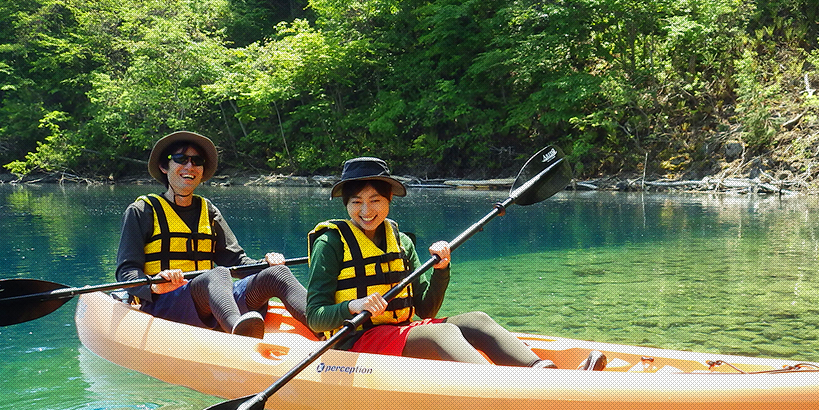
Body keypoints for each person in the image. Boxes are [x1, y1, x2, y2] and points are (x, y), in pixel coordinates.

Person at [305, 156, 605, 370]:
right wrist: (353, 307)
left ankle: (543, 373)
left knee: (476, 320)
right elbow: (315, 316)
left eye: (375, 200)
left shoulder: (401, 241)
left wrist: (441, 271)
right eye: (356, 201)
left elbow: (424, 310)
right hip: (353, 341)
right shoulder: (330, 242)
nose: (366, 210)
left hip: (395, 332)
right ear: (346, 205)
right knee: (441, 332)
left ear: (388, 201)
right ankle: (499, 387)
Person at [115, 130, 308, 339]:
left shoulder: (208, 211)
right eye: (181, 159)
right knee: (217, 273)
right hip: (165, 305)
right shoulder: (142, 211)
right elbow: (126, 272)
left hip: (209, 304)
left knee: (276, 275)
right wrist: (154, 286)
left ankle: (328, 327)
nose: (190, 167)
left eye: (197, 161)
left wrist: (266, 263)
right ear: (164, 166)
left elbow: (237, 261)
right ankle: (238, 330)